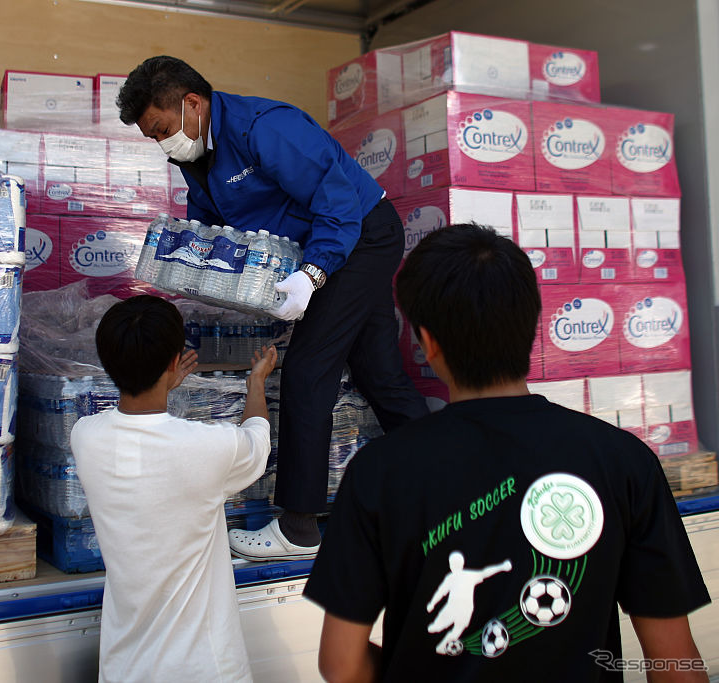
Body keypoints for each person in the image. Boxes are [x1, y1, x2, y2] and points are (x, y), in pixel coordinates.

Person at [303, 224, 710, 682]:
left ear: (427, 341)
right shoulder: (624, 460)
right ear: (532, 325)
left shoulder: (378, 471)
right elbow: (675, 663)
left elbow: (340, 665)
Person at [117, 56, 428, 560]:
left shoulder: (266, 129)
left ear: (192, 102)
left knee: (307, 370)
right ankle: (449, 481)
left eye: (161, 129)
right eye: (152, 138)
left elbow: (339, 203)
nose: (162, 143)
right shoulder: (196, 154)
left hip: (359, 235)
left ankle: (300, 528)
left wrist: (314, 273)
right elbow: (215, 226)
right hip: (328, 245)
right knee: (379, 374)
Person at [70, 295, 277, 682]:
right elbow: (257, 440)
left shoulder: (85, 437)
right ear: (172, 362)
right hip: (206, 669)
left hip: (125, 668)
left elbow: (142, 443)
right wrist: (256, 384)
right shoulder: (209, 447)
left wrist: (162, 383)